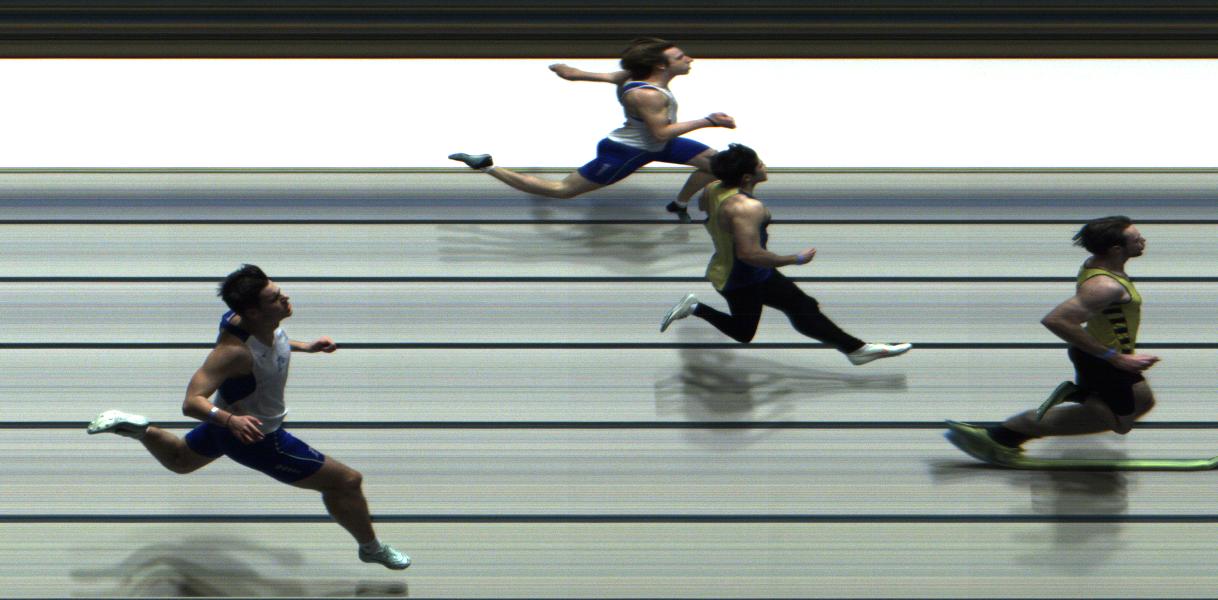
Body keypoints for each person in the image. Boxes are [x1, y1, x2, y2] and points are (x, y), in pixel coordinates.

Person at [87, 264, 410, 570]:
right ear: (253, 312)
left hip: (227, 426)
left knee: (180, 461)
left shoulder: (254, 320)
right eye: (275, 298)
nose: (285, 298)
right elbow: (191, 403)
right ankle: (371, 549)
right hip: (254, 436)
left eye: (280, 291)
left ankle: (139, 429)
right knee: (346, 482)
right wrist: (232, 421)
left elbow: (274, 343)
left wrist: (306, 346)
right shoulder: (232, 353)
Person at [659, 143, 912, 365]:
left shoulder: (713, 188)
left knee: (803, 307)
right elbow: (749, 254)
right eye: (759, 163)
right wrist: (794, 259)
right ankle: (694, 307)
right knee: (744, 332)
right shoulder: (747, 208)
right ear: (747, 177)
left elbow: (705, 208)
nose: (764, 165)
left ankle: (856, 350)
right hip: (740, 279)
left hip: (742, 271)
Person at [448, 37, 735, 223]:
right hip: (629, 150)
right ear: (661, 66)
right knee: (562, 191)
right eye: (681, 57)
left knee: (718, 165)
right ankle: (487, 166)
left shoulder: (630, 76)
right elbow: (662, 133)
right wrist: (708, 121)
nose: (689, 59)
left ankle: (679, 204)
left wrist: (567, 70)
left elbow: (589, 75)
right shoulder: (647, 95)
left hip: (656, 143)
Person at [946, 216, 1159, 462]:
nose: (1143, 241)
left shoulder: (1100, 265)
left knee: (1142, 401)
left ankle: (1006, 436)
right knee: (1122, 425)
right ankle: (1073, 397)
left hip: (1103, 356)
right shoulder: (1105, 286)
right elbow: (1057, 320)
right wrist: (1115, 358)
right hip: (1102, 361)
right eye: (1136, 239)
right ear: (1115, 250)